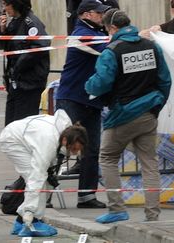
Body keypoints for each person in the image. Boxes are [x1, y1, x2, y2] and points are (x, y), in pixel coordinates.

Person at [85, 9, 172, 223]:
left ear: (112, 28)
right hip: (149, 112)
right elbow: (165, 80)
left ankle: (116, 209)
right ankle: (153, 216)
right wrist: (156, 105)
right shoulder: (152, 46)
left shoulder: (111, 51)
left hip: (122, 114)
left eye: (107, 29)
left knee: (108, 158)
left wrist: (88, 84)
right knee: (150, 164)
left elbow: (101, 82)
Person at [56, 0, 111, 209]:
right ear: (87, 14)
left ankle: (87, 196)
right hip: (72, 99)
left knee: (92, 149)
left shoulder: (98, 32)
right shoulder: (81, 33)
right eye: (100, 13)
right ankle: (46, 194)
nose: (103, 17)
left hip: (92, 102)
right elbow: (108, 48)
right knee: (60, 148)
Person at [0, 109, 88, 237]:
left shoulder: (64, 133)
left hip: (21, 135)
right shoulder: (48, 141)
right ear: (65, 141)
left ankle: (20, 221)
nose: (74, 153)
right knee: (35, 177)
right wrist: (30, 211)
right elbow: (36, 177)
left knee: (44, 179)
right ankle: (31, 222)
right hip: (13, 140)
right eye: (73, 149)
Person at [0, 0, 50, 126]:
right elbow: (7, 48)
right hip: (16, 82)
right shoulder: (15, 22)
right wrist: (3, 30)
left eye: (6, 4)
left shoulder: (31, 23)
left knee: (22, 125)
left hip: (29, 83)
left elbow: (39, 47)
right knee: (10, 125)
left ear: (16, 4)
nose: (4, 9)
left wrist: (18, 67)